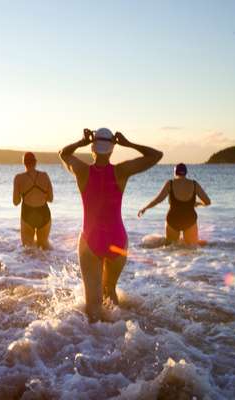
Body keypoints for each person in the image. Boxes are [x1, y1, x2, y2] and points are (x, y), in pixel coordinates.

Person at [59, 128, 162, 322]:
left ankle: (94, 343)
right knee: (110, 293)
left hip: (91, 240)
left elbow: (63, 154)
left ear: (92, 147)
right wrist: (129, 144)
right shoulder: (121, 171)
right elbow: (156, 156)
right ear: (113, 149)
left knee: (93, 305)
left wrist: (80, 142)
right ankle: (115, 337)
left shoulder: (82, 171)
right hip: (117, 240)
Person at [138, 163, 211, 245]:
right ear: (186, 172)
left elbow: (158, 199)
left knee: (170, 249)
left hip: (173, 219)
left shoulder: (170, 183)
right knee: (191, 249)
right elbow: (207, 202)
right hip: (189, 219)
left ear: (175, 172)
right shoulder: (194, 184)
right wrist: (198, 203)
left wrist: (145, 208)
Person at [12, 152, 54, 250]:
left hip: (28, 213)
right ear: (35, 162)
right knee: (44, 247)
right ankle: (52, 263)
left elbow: (16, 202)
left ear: (24, 163)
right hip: (44, 213)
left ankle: (30, 265)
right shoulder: (45, 175)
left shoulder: (18, 178)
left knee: (28, 249)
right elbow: (51, 199)